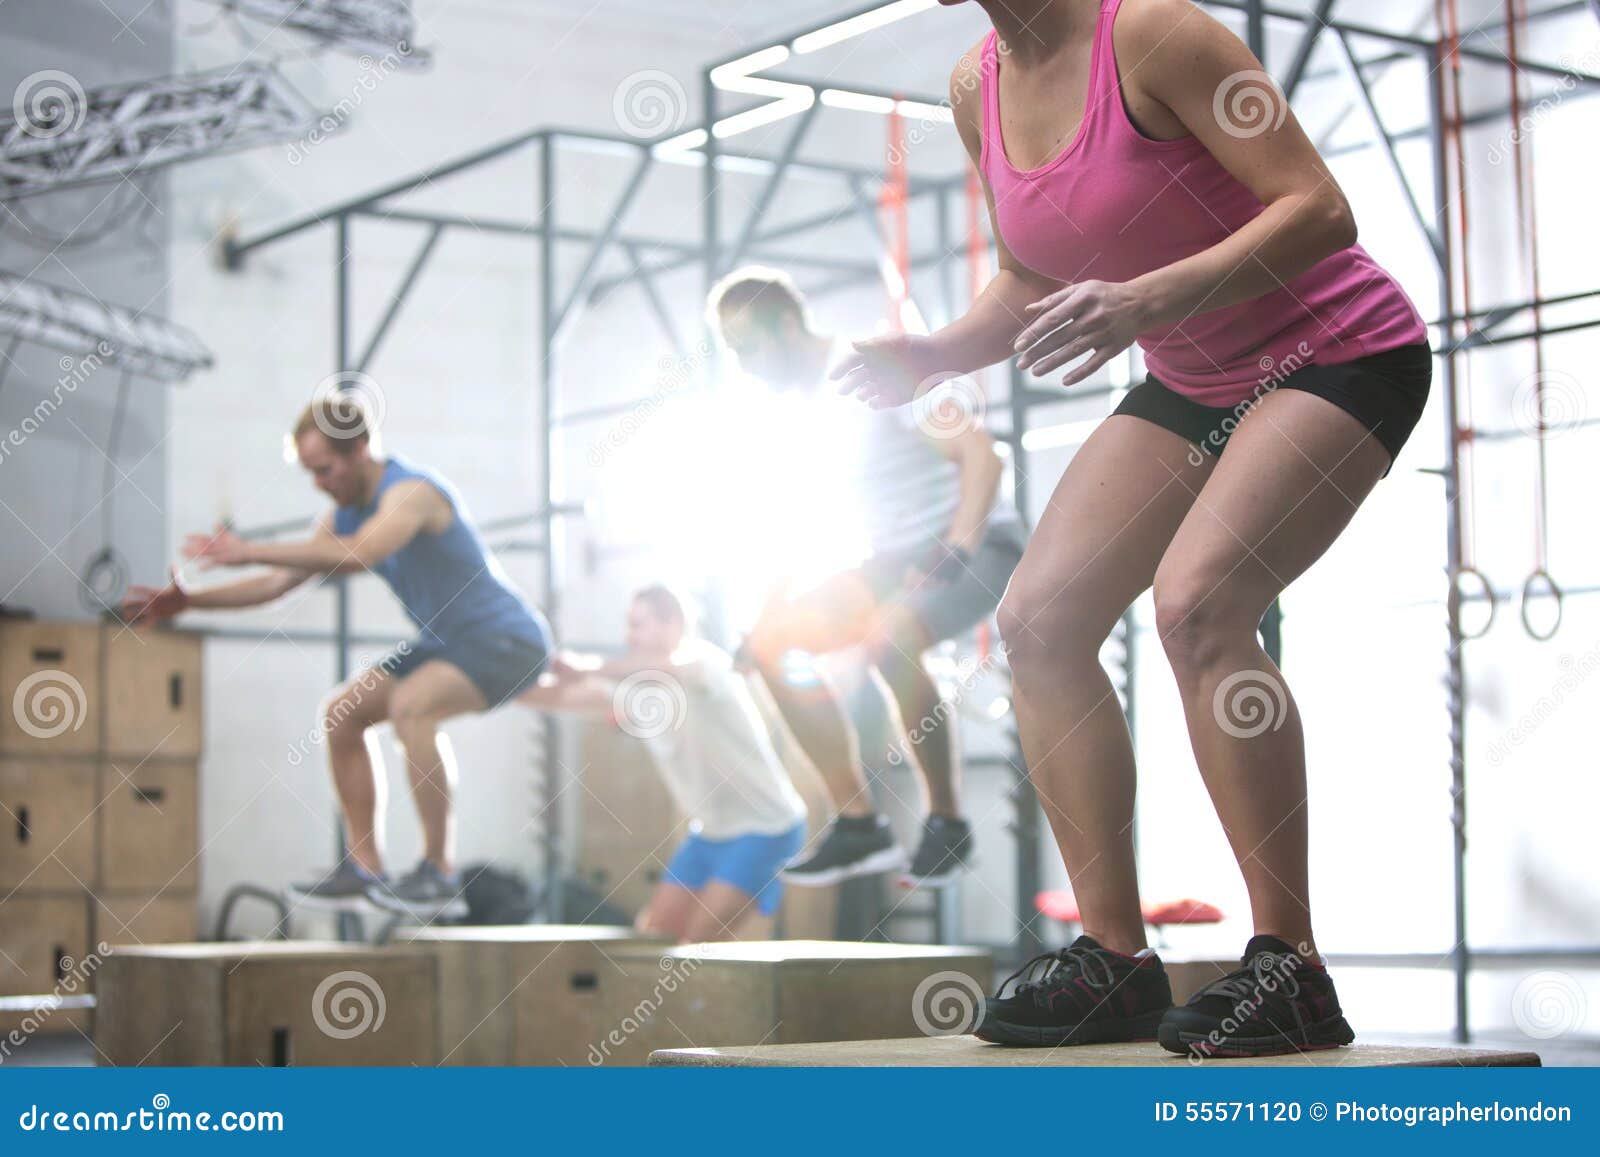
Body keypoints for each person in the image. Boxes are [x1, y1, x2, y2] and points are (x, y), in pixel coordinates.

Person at [833, 0, 1432, 1056]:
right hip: (1194, 377)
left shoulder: (1155, 35)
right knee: (1037, 622)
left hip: (1337, 349)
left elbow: (1319, 210)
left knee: (1198, 606)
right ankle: (1113, 959)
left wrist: (1149, 299)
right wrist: (933, 354)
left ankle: (1290, 965)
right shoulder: (977, 87)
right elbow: (1030, 275)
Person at [120, 395, 554, 918]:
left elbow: (362, 553)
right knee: (343, 713)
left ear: (360, 449)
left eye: (325, 469)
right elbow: (279, 584)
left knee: (413, 706)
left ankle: (438, 872)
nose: (319, 483)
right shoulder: (344, 515)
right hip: (447, 642)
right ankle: (365, 866)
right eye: (310, 472)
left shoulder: (411, 493)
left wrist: (249, 548)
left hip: (507, 638)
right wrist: (190, 602)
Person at [709, 268, 1026, 890]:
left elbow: (982, 457)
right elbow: (798, 524)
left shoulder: (871, 373)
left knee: (890, 636)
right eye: (733, 353)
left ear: (789, 326)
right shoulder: (796, 416)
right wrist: (763, 623)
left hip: (978, 540)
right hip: (891, 558)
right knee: (774, 646)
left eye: (749, 347)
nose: (744, 366)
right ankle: (859, 826)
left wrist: (957, 546)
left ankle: (947, 822)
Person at [538, 585, 809, 942]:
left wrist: (590, 666)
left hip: (767, 828)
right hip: (709, 833)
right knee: (652, 938)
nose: (629, 636)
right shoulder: (640, 693)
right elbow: (562, 695)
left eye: (638, 624)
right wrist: (490, 684)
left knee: (696, 945)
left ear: (673, 624)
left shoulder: (707, 664)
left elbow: (662, 670)